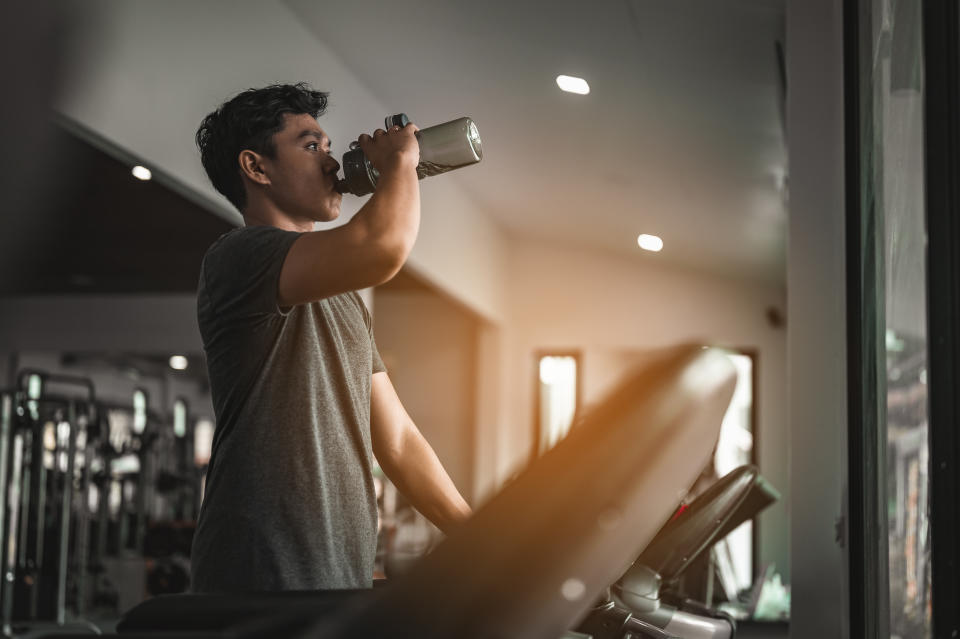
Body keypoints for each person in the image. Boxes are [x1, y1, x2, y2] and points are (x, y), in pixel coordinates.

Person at [189, 83, 472, 592]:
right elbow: (382, 246)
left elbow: (400, 441)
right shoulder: (238, 258)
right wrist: (401, 164)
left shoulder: (345, 301)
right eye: (311, 145)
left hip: (339, 573)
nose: (332, 162)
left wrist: (481, 538)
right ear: (257, 168)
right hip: (259, 573)